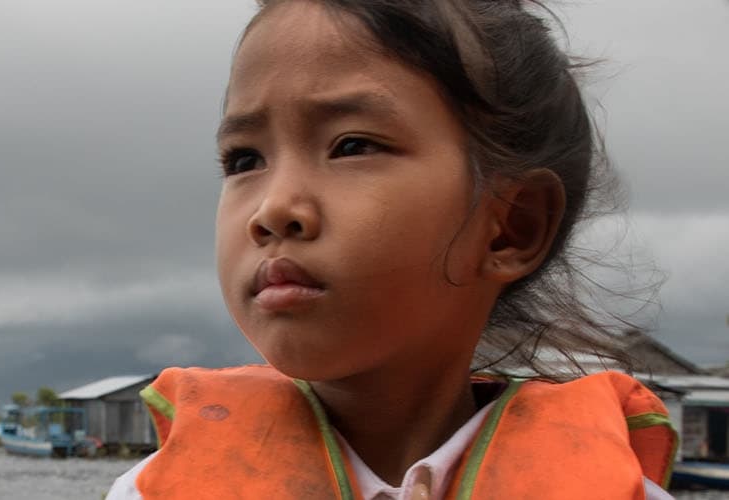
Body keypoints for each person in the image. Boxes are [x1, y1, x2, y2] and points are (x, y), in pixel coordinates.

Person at [107, 1, 675, 499]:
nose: (273, 209)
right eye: (244, 159)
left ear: (511, 227)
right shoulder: (148, 492)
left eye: (352, 146)